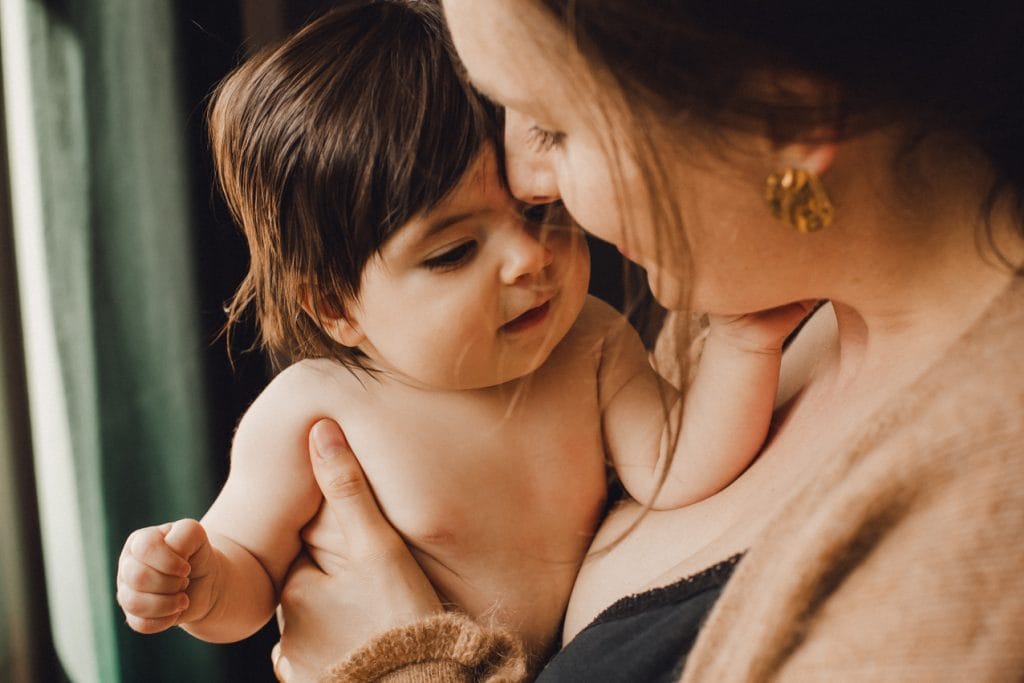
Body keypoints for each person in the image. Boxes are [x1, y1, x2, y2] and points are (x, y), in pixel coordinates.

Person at [269, 1, 1024, 681]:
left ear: (788, 117)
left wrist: (403, 667)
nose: (527, 180)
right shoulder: (742, 297)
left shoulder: (976, 541)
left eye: (554, 124)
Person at [113, 0, 811, 669]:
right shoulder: (317, 412)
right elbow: (254, 572)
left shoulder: (589, 343)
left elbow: (679, 464)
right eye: (453, 252)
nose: (528, 257)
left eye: (539, 213)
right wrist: (201, 582)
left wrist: (745, 338)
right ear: (335, 306)